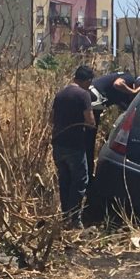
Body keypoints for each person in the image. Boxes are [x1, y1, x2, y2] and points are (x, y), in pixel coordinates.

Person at [51, 65, 96, 229]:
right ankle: (75, 220)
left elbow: (51, 119)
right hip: (74, 146)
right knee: (79, 181)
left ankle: (65, 217)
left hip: (58, 144)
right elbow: (90, 121)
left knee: (64, 180)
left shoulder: (60, 94)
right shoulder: (83, 95)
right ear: (88, 80)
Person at [85, 71, 140, 177]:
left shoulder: (123, 96)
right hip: (93, 100)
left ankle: (86, 173)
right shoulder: (129, 78)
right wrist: (132, 91)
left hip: (91, 101)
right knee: (88, 141)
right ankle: (87, 176)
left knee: (87, 140)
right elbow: (117, 84)